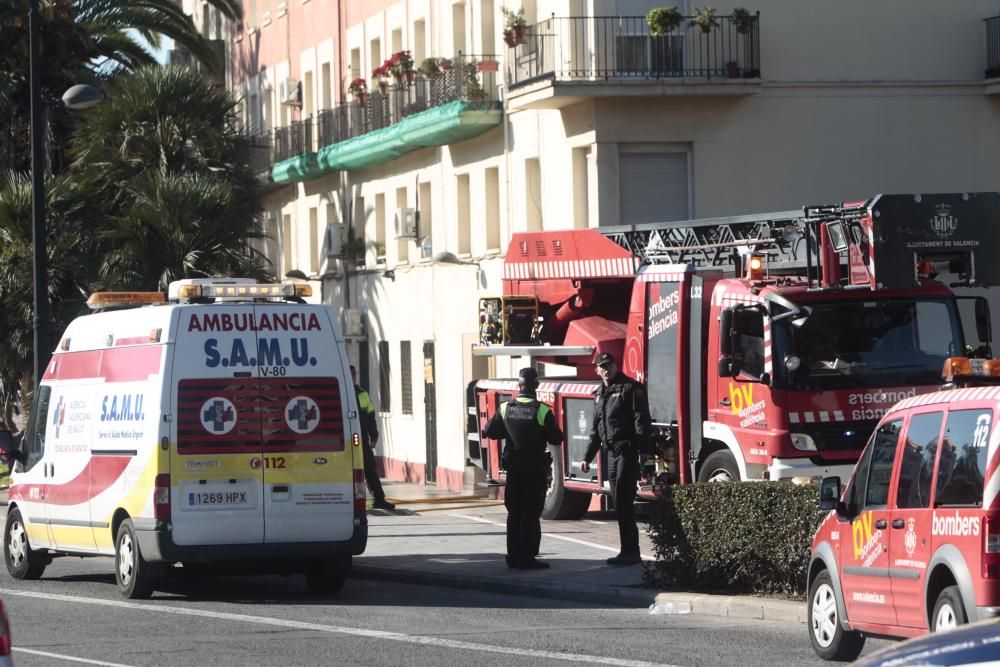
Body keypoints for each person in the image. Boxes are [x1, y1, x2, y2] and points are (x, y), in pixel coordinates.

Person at [482, 367, 563, 570]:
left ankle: (513, 557)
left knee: (514, 512)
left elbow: (489, 431)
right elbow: (556, 438)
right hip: (534, 470)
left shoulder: (505, 408)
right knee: (530, 513)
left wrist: (511, 431)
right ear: (536, 385)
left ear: (519, 385)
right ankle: (527, 558)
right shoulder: (542, 410)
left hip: (514, 470)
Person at [578, 352, 651, 566]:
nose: (606, 369)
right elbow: (596, 428)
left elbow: (641, 419)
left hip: (626, 450)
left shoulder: (630, 388)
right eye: (602, 366)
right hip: (610, 453)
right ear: (597, 370)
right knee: (619, 502)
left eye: (609, 365)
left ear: (616, 366)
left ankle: (631, 552)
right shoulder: (599, 394)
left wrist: (643, 449)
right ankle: (626, 550)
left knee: (623, 500)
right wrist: (587, 457)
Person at [352, 365, 394, 511]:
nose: (352, 377)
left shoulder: (362, 394)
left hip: (361, 438)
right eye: (350, 374)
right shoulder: (341, 391)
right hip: (346, 440)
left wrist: (373, 435)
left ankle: (379, 499)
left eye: (353, 375)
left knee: (370, 468)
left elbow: (371, 417)